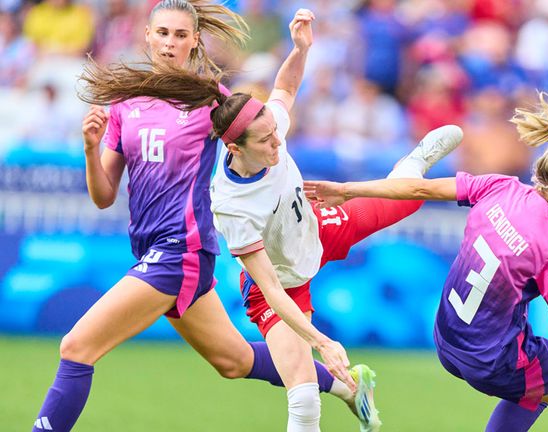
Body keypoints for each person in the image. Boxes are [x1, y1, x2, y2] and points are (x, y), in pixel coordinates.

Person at [84, 11, 464, 431]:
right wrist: (320, 341)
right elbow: (269, 286)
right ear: (236, 148)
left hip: (319, 228)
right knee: (301, 400)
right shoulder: (232, 207)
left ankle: (414, 162)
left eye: (275, 132)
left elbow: (284, 89)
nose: (278, 142)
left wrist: (300, 49)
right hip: (282, 283)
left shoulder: (267, 126)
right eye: (266, 140)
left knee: (403, 202)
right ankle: (346, 391)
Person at [33, 3, 367, 432]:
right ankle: (348, 386)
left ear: (194, 41)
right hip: (154, 251)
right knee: (234, 360)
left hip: (182, 251)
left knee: (76, 347)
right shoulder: (123, 104)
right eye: (163, 33)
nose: (170, 43)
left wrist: (299, 51)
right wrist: (89, 149)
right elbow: (103, 197)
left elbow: (274, 108)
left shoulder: (210, 100)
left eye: (180, 35)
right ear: (148, 36)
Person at [304, 93, 548, 432]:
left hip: (447, 339)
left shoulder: (500, 187)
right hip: (492, 360)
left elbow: (420, 186)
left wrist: (346, 189)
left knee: (543, 375)